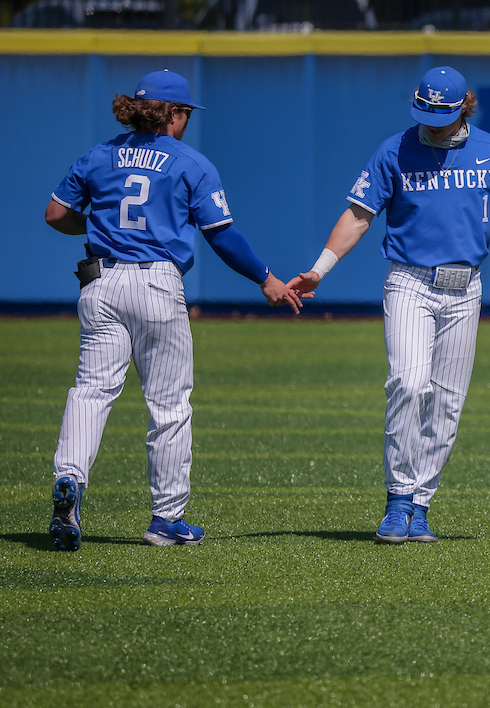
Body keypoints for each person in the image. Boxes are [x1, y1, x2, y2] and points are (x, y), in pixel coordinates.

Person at [44, 69, 302, 552]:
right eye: (185, 112)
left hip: (101, 281)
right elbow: (221, 234)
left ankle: (70, 482)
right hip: (157, 283)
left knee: (91, 392)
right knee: (168, 405)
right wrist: (266, 278)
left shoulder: (100, 155)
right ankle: (166, 518)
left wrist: (99, 222)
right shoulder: (190, 162)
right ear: (175, 113)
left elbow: (56, 214)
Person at [287, 66, 490, 544]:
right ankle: (398, 497)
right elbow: (359, 215)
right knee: (408, 381)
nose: (430, 121)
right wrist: (319, 269)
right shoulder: (395, 149)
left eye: (440, 113)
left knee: (447, 401)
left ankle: (420, 503)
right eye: (423, 111)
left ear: (464, 106)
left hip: (467, 289)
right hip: (410, 282)